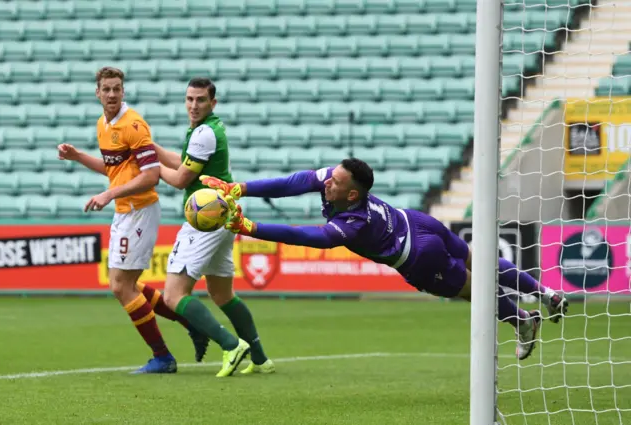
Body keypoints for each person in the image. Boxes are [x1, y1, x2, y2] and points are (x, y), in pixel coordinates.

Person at [201, 158, 569, 360]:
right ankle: (547, 294)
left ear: (353, 193)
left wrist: (250, 226)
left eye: (335, 182)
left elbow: (307, 236)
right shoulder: (341, 185)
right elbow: (294, 182)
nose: (327, 182)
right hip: (418, 221)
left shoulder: (354, 223)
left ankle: (523, 320)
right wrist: (241, 189)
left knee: (474, 290)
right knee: (481, 261)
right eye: (330, 177)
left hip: (418, 255)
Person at [57, 66, 206, 374]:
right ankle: (189, 322)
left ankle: (163, 356)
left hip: (140, 209)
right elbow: (114, 170)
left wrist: (109, 195)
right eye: (106, 89)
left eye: (116, 89)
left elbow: (151, 177)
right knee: (126, 284)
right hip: (125, 211)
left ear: (123, 92)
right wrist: (78, 157)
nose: (112, 94)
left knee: (121, 286)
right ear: (97, 93)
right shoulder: (103, 123)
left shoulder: (134, 125)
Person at [153, 77, 273, 377]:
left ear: (213, 103)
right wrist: (152, 149)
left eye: (201, 100)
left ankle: (231, 345)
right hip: (222, 214)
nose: (194, 105)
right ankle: (259, 359)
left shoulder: (204, 132)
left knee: (173, 296)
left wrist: (151, 168)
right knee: (222, 294)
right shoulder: (205, 130)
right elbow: (183, 164)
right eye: (190, 99)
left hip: (205, 219)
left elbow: (180, 178)